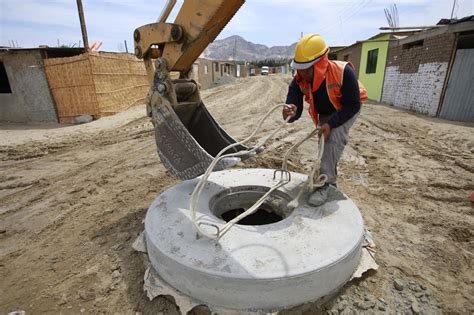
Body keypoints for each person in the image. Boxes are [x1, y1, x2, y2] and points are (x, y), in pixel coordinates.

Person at [282, 33, 366, 206]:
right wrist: (290, 111)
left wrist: (331, 124)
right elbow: (294, 108)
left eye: (307, 68)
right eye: (299, 68)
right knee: (323, 142)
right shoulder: (298, 80)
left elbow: (353, 105)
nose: (302, 73)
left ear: (320, 64)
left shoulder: (344, 73)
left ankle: (327, 185)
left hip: (347, 107)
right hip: (327, 111)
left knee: (333, 137)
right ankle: (324, 175)